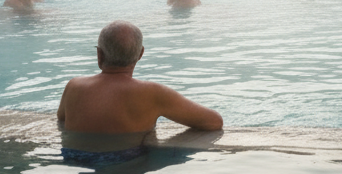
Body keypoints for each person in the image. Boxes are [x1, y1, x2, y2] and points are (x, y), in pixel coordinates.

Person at [57, 21, 222, 137]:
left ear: (99, 54)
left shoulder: (74, 86)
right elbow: (214, 122)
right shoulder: (152, 93)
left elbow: (61, 119)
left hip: (77, 164)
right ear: (140, 54)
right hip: (128, 166)